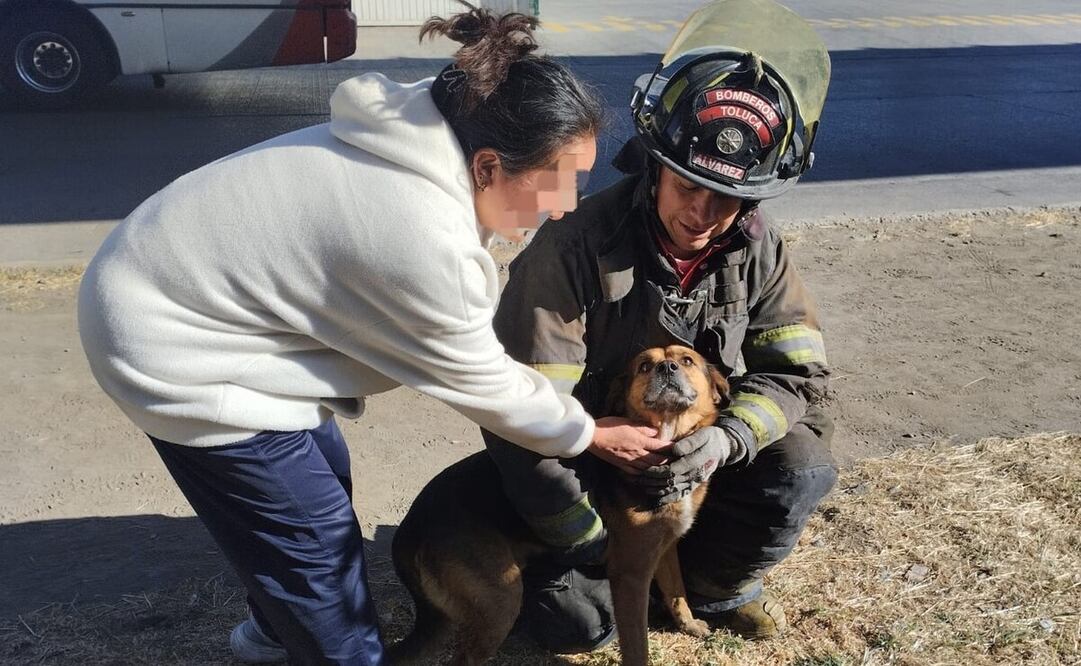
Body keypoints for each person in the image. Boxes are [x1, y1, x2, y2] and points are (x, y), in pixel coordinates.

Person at [76, 6, 670, 665]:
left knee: (320, 476)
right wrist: (588, 432)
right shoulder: (417, 236)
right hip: (167, 343)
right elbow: (482, 381)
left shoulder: (437, 118)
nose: (564, 204)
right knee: (318, 546)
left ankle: (273, 629)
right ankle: (327, 643)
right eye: (558, 180)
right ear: (486, 167)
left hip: (181, 283)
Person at [481, 0, 839, 651]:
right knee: (581, 627)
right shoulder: (572, 247)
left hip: (690, 447)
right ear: (653, 166)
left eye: (726, 198)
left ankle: (712, 587)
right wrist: (594, 455)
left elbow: (796, 376)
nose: (701, 213)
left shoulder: (757, 245)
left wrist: (726, 440)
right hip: (581, 462)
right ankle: (590, 567)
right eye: (686, 187)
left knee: (803, 464)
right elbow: (516, 411)